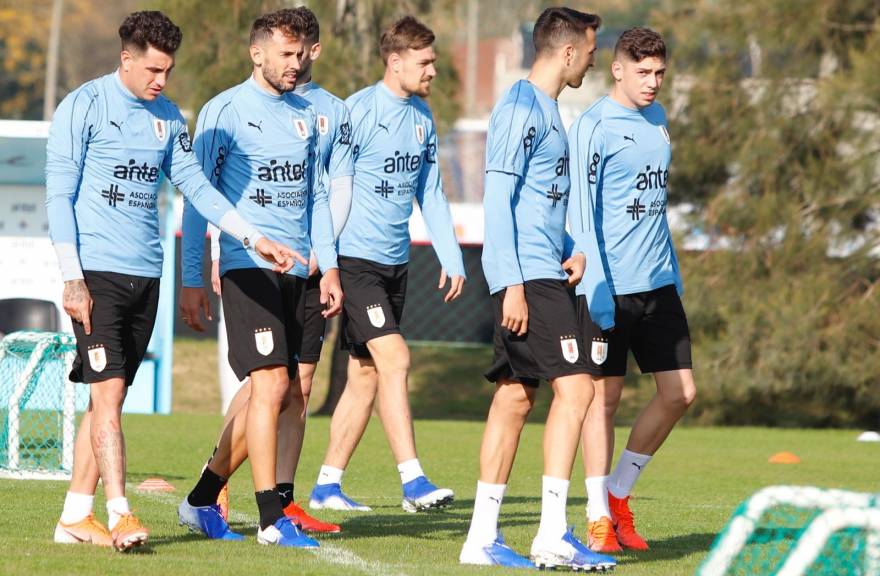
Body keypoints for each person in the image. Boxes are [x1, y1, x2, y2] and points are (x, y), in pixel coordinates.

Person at [46, 11, 297, 552]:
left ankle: (73, 517)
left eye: (169, 71)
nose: (161, 80)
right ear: (126, 60)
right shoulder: (84, 106)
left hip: (145, 276)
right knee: (109, 395)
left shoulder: (167, 117)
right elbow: (59, 197)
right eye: (153, 70)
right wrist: (72, 278)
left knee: (105, 400)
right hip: (96, 274)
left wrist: (254, 237)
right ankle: (120, 514)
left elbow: (199, 189)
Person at [175, 8, 343, 548]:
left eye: (301, 53)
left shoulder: (306, 114)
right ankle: (273, 516)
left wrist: (329, 264)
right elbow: (198, 198)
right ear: (257, 53)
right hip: (247, 267)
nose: (297, 63)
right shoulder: (223, 112)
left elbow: (316, 195)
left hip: (302, 272)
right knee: (269, 383)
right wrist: (193, 276)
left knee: (288, 391)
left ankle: (202, 497)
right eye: (286, 54)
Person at [458, 7, 616, 571]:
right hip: (528, 278)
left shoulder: (548, 111)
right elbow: (498, 201)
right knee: (577, 391)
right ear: (568, 51)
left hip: (545, 268)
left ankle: (480, 538)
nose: (593, 61)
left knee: (515, 397)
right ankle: (552, 535)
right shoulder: (520, 109)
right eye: (591, 51)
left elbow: (538, 205)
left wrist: (572, 245)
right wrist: (511, 285)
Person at [307, 15, 466, 514]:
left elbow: (430, 191)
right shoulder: (357, 112)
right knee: (396, 359)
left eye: (433, 61)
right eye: (425, 62)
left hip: (397, 263)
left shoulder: (422, 117)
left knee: (366, 375)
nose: (432, 70)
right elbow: (326, 187)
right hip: (356, 262)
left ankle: (327, 486)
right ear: (395, 62)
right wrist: (325, 259)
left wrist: (450, 254)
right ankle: (413, 481)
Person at [568, 27, 696, 553]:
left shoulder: (659, 119)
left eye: (659, 72)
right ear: (617, 69)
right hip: (609, 286)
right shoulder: (592, 126)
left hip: (658, 283)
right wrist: (596, 287)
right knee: (604, 401)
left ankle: (618, 494)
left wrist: (674, 270)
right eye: (643, 72)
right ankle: (598, 517)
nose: (653, 82)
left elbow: (656, 206)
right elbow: (581, 213)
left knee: (680, 393)